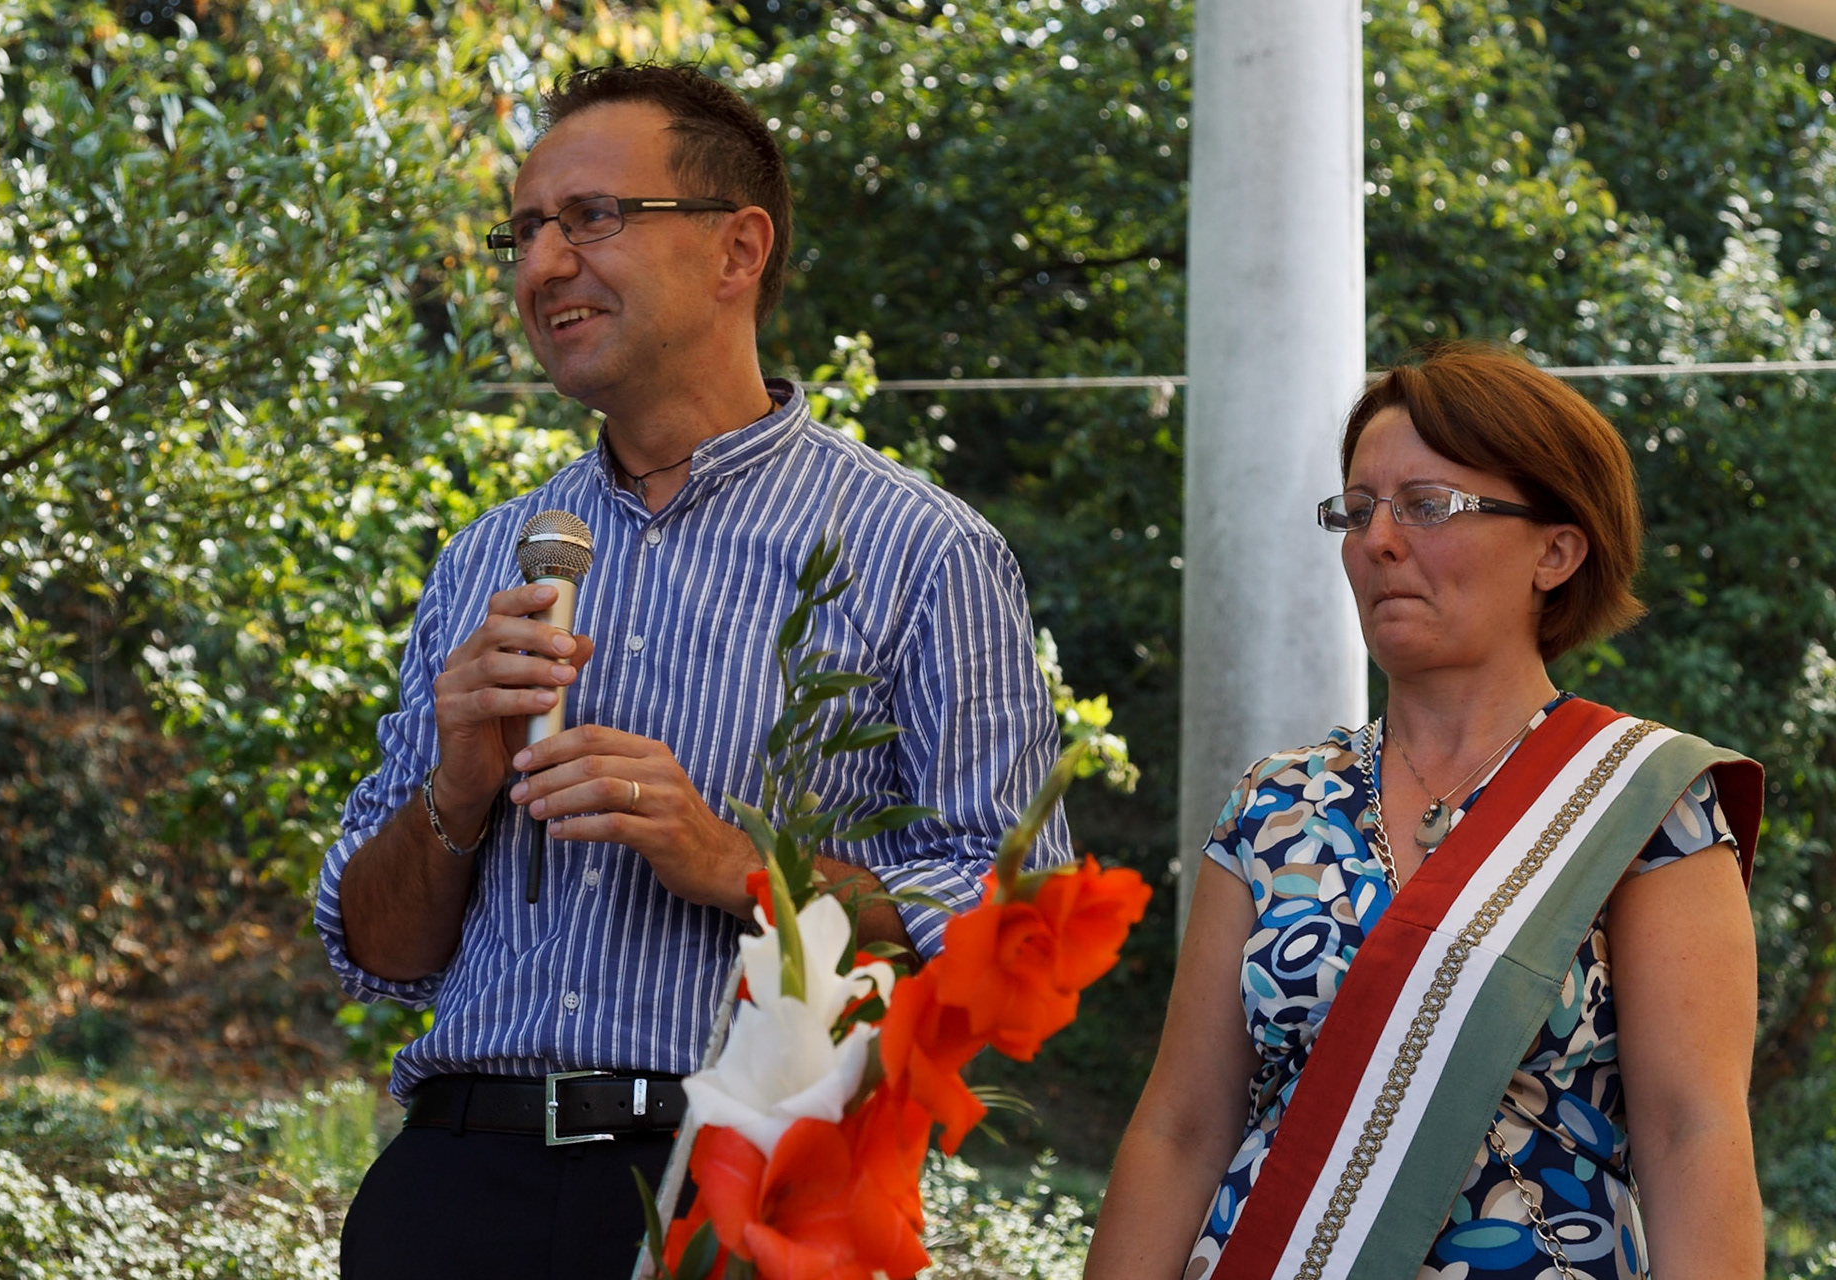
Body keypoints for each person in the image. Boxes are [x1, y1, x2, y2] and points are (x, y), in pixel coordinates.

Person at [315, 63, 1069, 1277]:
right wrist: (454, 794)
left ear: (738, 250)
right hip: (453, 1187)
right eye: (522, 230)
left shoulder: (923, 552)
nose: (540, 264)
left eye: (591, 218)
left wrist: (738, 864)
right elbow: (379, 950)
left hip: (745, 1190)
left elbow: (1020, 918)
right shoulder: (485, 558)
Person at [1087, 344, 1764, 1280]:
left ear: (1556, 551)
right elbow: (1181, 1127)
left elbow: (1695, 1137)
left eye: (1427, 506)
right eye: (1358, 511)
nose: (1378, 541)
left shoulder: (1646, 803)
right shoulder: (1275, 804)